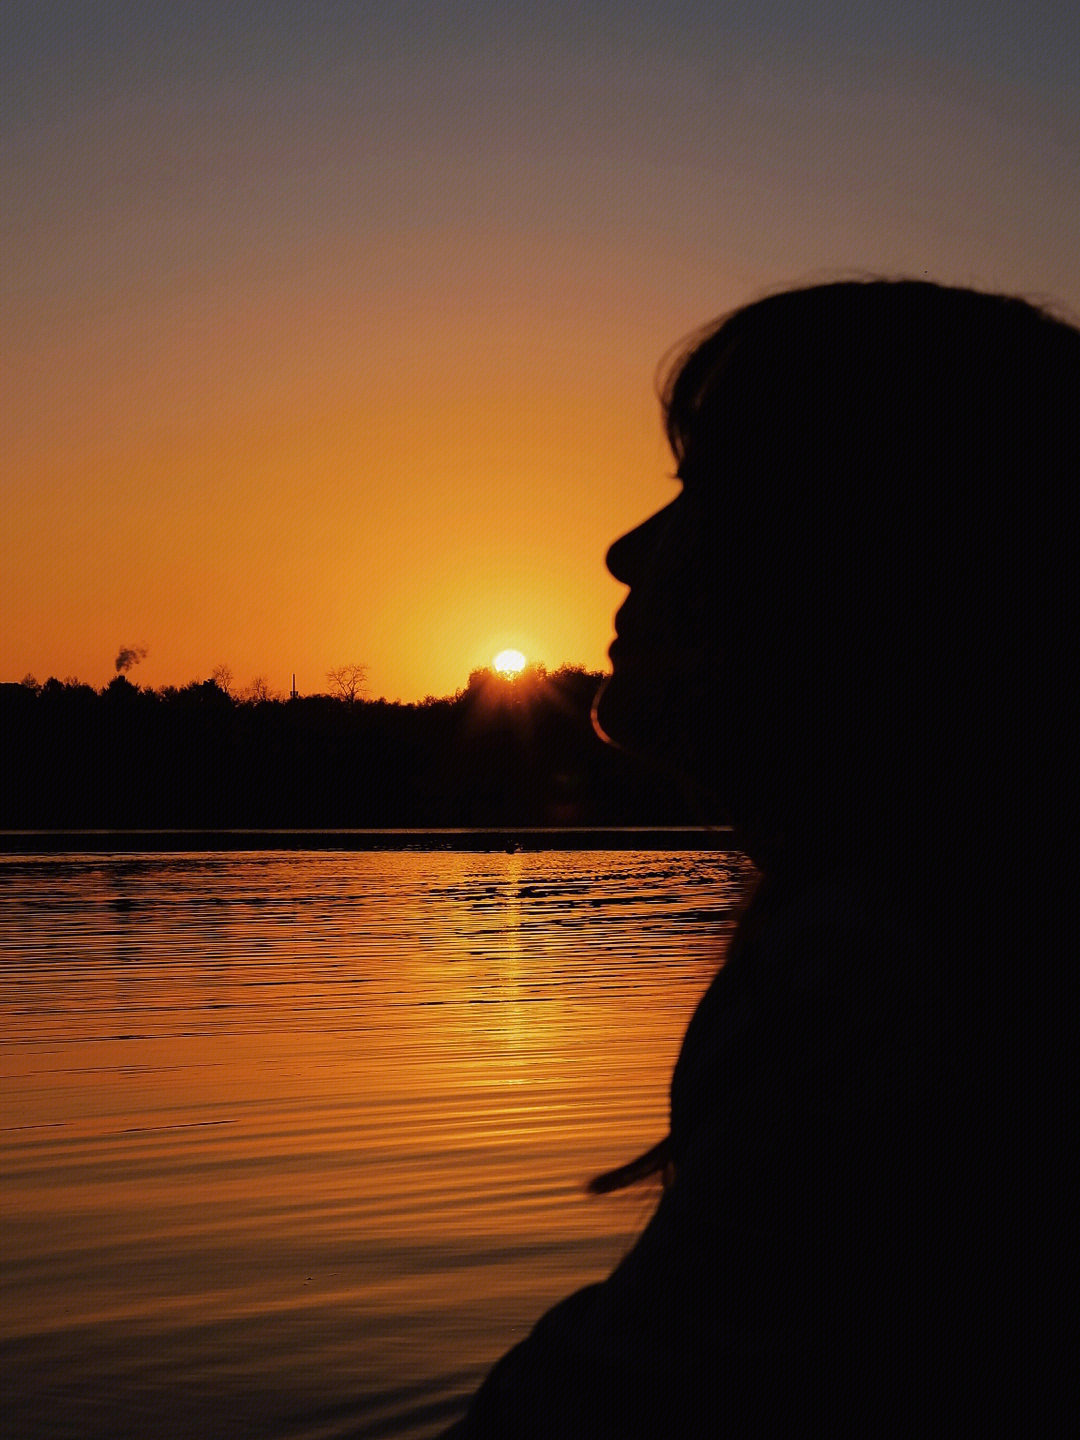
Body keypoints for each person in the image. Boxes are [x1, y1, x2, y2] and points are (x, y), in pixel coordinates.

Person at [439, 280, 1078, 1436]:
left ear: (873, 566)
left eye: (707, 493)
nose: (628, 550)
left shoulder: (872, 979)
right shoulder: (959, 935)